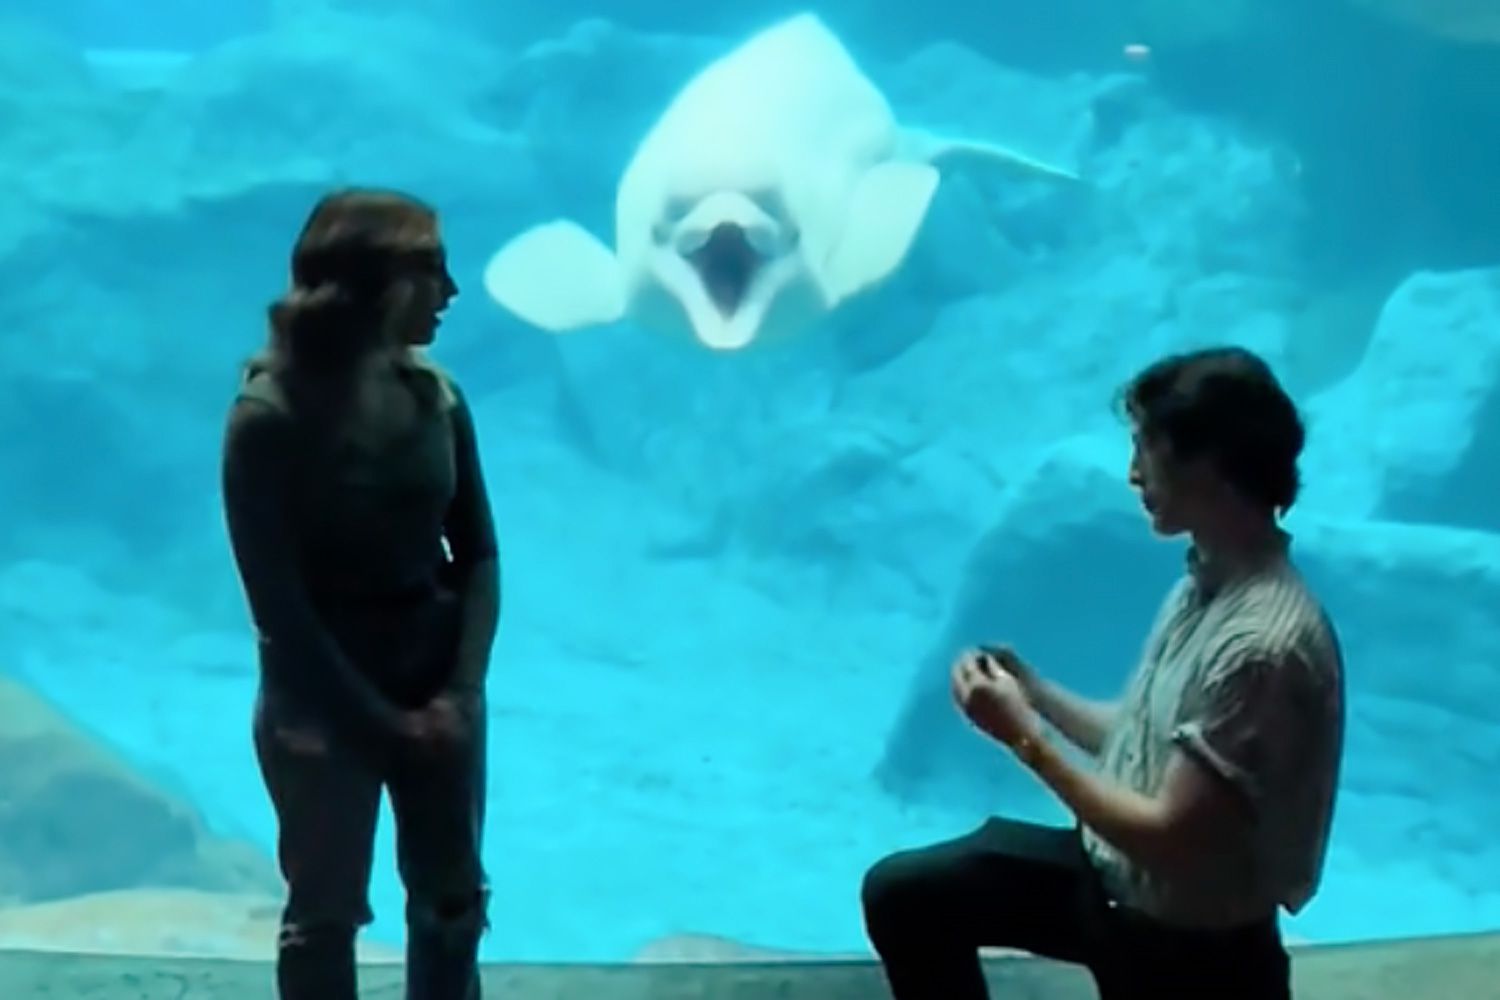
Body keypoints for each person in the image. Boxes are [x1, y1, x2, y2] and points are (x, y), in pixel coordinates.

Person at [860, 346, 1345, 999]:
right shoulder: (1205, 587)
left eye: (1146, 449)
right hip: (1118, 889)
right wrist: (1035, 692)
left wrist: (1024, 738)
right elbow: (1143, 736)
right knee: (907, 895)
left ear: (1206, 464)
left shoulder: (1260, 646)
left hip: (1188, 950)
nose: (1133, 473)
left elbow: (1168, 839)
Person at [220, 188, 500, 1000]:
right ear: (368, 282)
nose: (450, 292)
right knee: (326, 913)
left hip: (437, 679)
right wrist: (386, 722)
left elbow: (479, 552)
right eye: (429, 271)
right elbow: (280, 612)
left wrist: (459, 691)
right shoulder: (267, 418)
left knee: (452, 901)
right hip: (319, 700)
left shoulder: (439, 399)